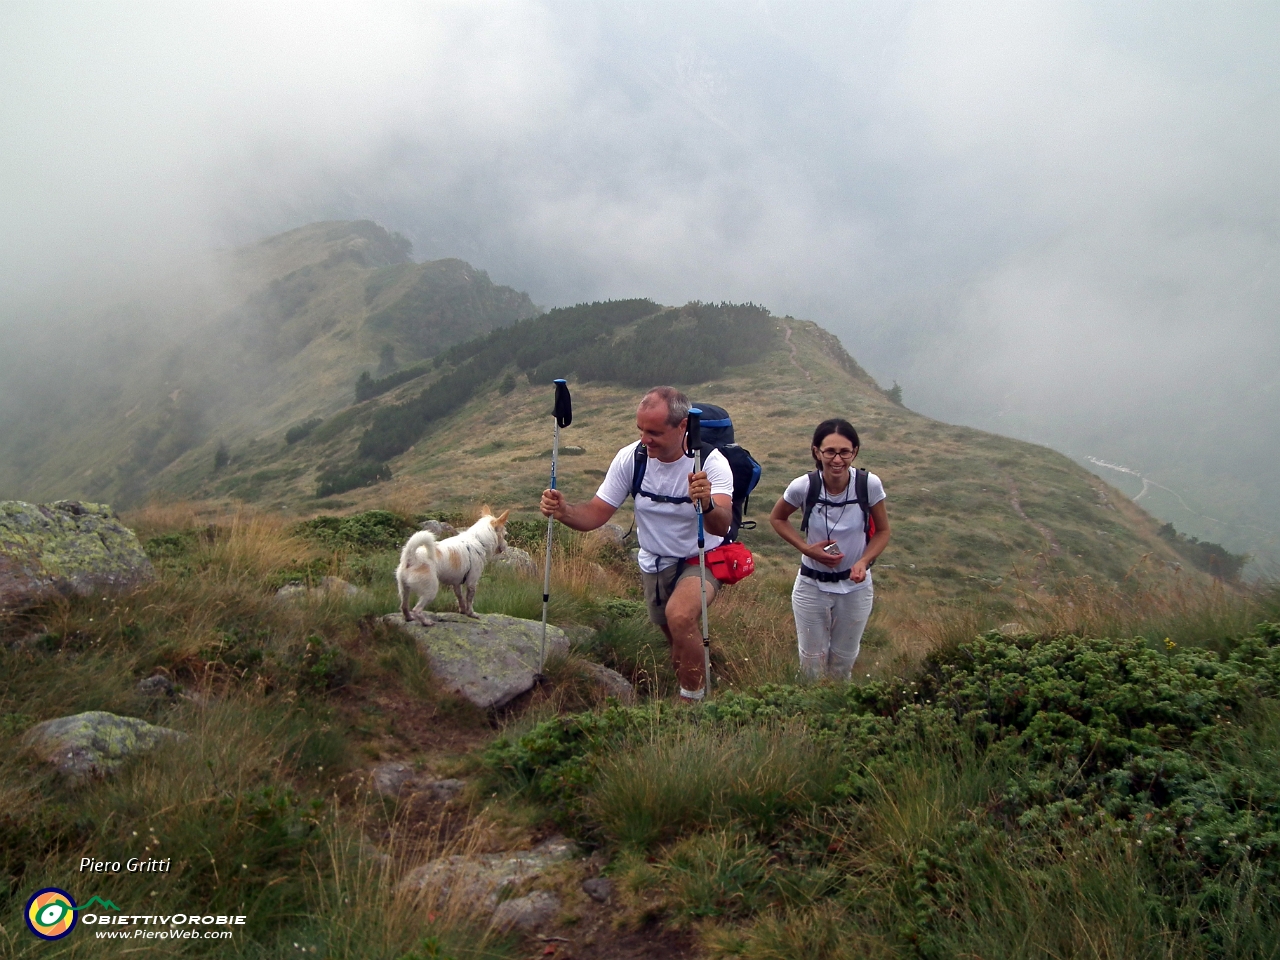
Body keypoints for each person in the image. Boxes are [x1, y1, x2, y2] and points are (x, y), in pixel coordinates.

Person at [539, 386, 733, 701]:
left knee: (681, 616)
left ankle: (692, 706)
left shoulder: (709, 463)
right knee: (676, 642)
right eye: (641, 429)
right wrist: (564, 511)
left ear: (682, 426)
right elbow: (596, 514)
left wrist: (707, 503)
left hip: (703, 556)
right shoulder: (632, 458)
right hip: (654, 562)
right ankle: (703, 679)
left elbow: (722, 523)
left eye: (655, 432)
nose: (645, 439)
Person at [769, 418, 891, 680]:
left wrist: (864, 561)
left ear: (855, 452)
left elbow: (883, 531)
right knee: (811, 664)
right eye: (830, 452)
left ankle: (837, 713)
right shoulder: (804, 486)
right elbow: (777, 518)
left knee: (842, 663)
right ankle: (808, 716)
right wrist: (807, 549)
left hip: (855, 587)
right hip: (811, 586)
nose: (837, 460)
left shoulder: (868, 485)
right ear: (817, 452)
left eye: (845, 452)